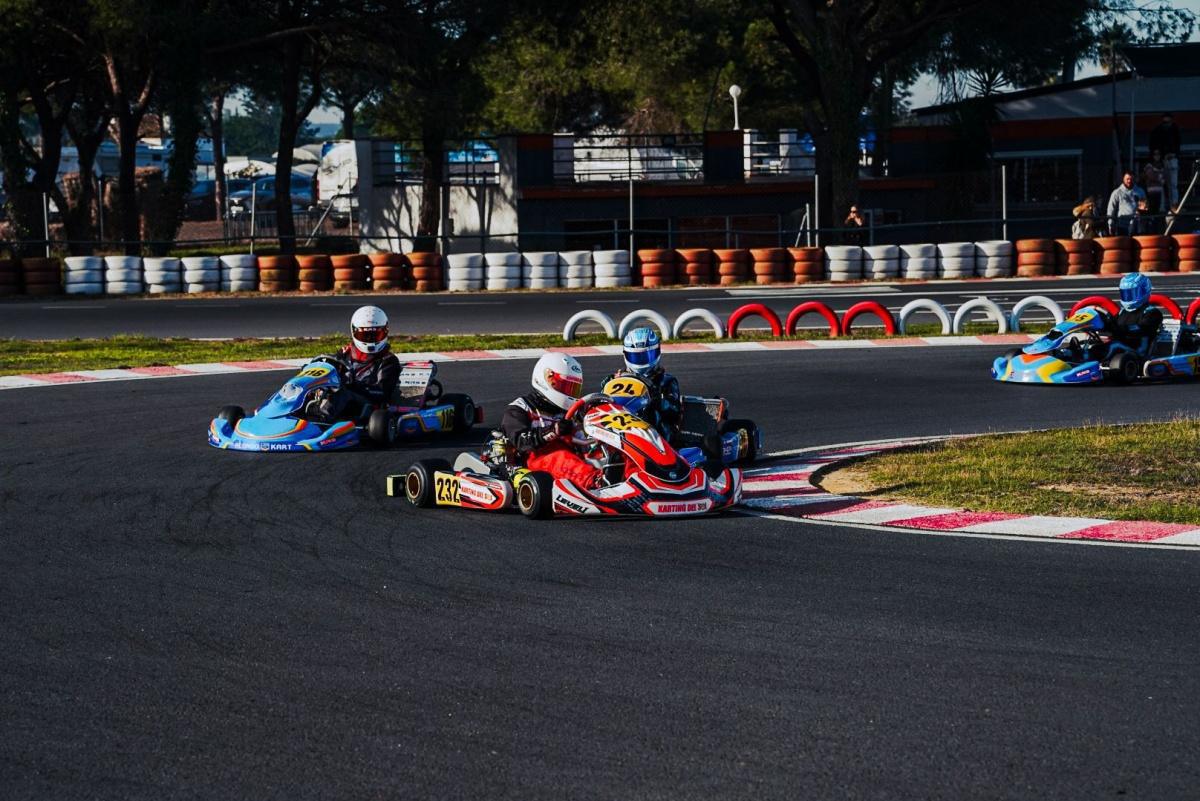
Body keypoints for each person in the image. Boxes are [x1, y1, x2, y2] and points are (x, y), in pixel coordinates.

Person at [500, 352, 602, 488]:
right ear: (547, 378)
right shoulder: (520, 408)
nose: (569, 393)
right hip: (537, 459)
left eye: (573, 389)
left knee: (608, 450)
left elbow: (584, 438)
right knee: (561, 456)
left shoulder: (572, 412)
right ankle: (595, 483)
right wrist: (554, 431)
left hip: (574, 456)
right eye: (564, 386)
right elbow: (521, 441)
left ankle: (625, 476)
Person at [314, 305, 400, 420]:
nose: (370, 340)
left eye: (375, 335)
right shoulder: (343, 355)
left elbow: (382, 393)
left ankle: (319, 420)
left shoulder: (388, 361)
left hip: (368, 408)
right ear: (354, 332)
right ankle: (289, 414)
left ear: (385, 331)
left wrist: (352, 385)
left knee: (341, 392)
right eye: (365, 335)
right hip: (343, 402)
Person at [604, 327, 682, 440]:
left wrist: (655, 398)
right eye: (636, 357)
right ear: (626, 355)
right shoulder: (614, 379)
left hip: (656, 432)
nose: (641, 361)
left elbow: (674, 411)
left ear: (657, 352)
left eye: (646, 356)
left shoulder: (666, 381)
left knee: (653, 413)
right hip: (620, 424)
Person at [1109, 273, 1163, 357]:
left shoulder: (1152, 313)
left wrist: (1121, 329)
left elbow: (1143, 328)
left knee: (1112, 346)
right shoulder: (1122, 312)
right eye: (1126, 293)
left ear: (1144, 291)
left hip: (1138, 353)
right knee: (1095, 348)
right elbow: (1111, 325)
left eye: (1132, 293)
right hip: (1121, 351)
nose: (1128, 297)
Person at [1149, 112, 1182, 207]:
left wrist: (1173, 154)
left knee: (1172, 184)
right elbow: (1154, 146)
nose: (1167, 124)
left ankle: (1174, 205)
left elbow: (1177, 145)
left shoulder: (1174, 130)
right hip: (1163, 160)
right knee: (1163, 184)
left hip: (1171, 159)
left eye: (1168, 122)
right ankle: (1162, 205)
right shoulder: (1159, 131)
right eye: (1165, 122)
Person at [1143, 150, 1166, 223]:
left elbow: (1165, 175)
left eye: (1158, 155)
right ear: (1152, 156)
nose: (1157, 156)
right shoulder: (1149, 165)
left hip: (1159, 190)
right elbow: (1151, 175)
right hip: (1151, 191)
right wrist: (1159, 177)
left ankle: (1155, 221)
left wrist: (1161, 177)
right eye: (1155, 155)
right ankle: (1150, 220)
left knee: (1157, 208)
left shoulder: (1162, 165)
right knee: (1151, 207)